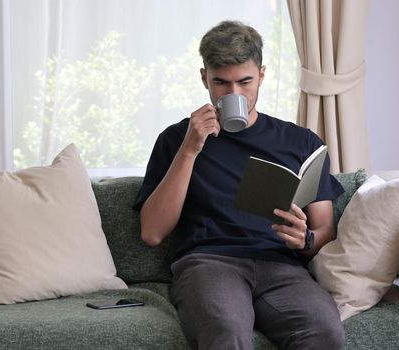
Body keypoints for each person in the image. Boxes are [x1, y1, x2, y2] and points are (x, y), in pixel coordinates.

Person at [134, 20, 345, 349]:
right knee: (226, 331)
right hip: (209, 262)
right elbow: (152, 232)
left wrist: (305, 240)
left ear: (262, 75)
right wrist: (190, 149)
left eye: (245, 81)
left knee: (325, 331)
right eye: (221, 82)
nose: (234, 94)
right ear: (204, 77)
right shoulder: (176, 139)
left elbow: (326, 228)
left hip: (281, 266)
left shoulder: (301, 142)